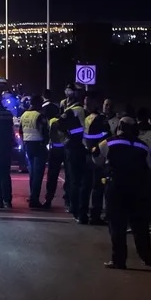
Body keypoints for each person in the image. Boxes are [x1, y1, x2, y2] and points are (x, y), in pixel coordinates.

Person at [93, 117, 151, 269]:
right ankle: (147, 256)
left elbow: (97, 159)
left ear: (119, 127)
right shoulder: (143, 146)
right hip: (138, 189)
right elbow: (150, 166)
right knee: (140, 224)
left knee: (116, 225)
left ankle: (119, 260)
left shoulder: (108, 142)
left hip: (116, 187)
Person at [80, 94, 111, 225]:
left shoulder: (87, 118)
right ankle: (95, 216)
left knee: (85, 186)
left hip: (87, 154)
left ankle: (82, 215)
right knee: (97, 187)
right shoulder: (101, 119)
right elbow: (107, 138)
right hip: (97, 156)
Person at [60, 90, 86, 220]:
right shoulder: (77, 110)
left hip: (74, 147)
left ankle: (72, 204)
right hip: (77, 147)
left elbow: (60, 125)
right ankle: (74, 206)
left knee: (73, 178)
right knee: (76, 179)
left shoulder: (74, 110)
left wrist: (68, 136)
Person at [20, 95, 50, 208]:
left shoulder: (24, 115)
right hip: (39, 145)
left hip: (28, 145)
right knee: (38, 174)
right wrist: (46, 142)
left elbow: (21, 131)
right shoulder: (39, 115)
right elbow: (44, 131)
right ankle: (34, 200)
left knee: (32, 172)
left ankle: (32, 195)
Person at [44, 104, 68, 210]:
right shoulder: (65, 120)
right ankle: (67, 199)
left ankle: (48, 199)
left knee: (52, 176)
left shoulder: (52, 121)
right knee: (68, 175)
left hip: (55, 150)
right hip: (64, 149)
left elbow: (49, 135)